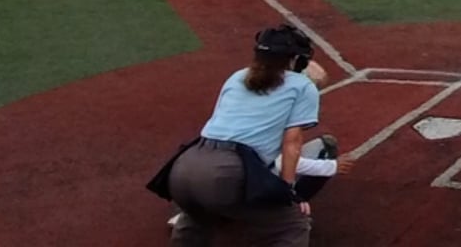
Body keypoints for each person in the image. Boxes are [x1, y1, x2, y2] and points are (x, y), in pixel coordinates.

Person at [148, 24, 351, 246]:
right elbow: (292, 144)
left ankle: (192, 219)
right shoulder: (302, 86)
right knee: (294, 225)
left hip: (183, 168)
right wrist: (288, 192)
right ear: (295, 60)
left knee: (197, 219)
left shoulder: (237, 77)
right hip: (224, 175)